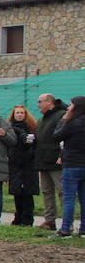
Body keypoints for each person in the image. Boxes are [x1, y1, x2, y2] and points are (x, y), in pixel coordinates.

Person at [52, 96, 85, 237]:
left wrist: (64, 120)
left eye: (71, 105)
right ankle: (83, 228)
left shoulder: (72, 123)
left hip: (72, 165)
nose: (68, 107)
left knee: (69, 198)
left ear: (76, 106)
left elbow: (56, 136)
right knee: (84, 198)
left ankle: (65, 229)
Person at [35, 95, 67, 230]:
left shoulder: (61, 115)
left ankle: (67, 222)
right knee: (47, 191)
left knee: (63, 191)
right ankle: (49, 220)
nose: (38, 105)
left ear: (49, 102)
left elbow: (64, 138)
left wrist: (62, 155)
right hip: (43, 160)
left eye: (40, 102)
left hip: (56, 160)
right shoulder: (42, 119)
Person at [6, 104, 38, 227]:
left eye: (21, 113)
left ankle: (27, 218)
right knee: (17, 192)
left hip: (28, 164)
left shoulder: (31, 128)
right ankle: (18, 216)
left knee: (27, 193)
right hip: (14, 164)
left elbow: (34, 145)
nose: (19, 115)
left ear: (26, 115)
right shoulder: (9, 129)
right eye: (17, 113)